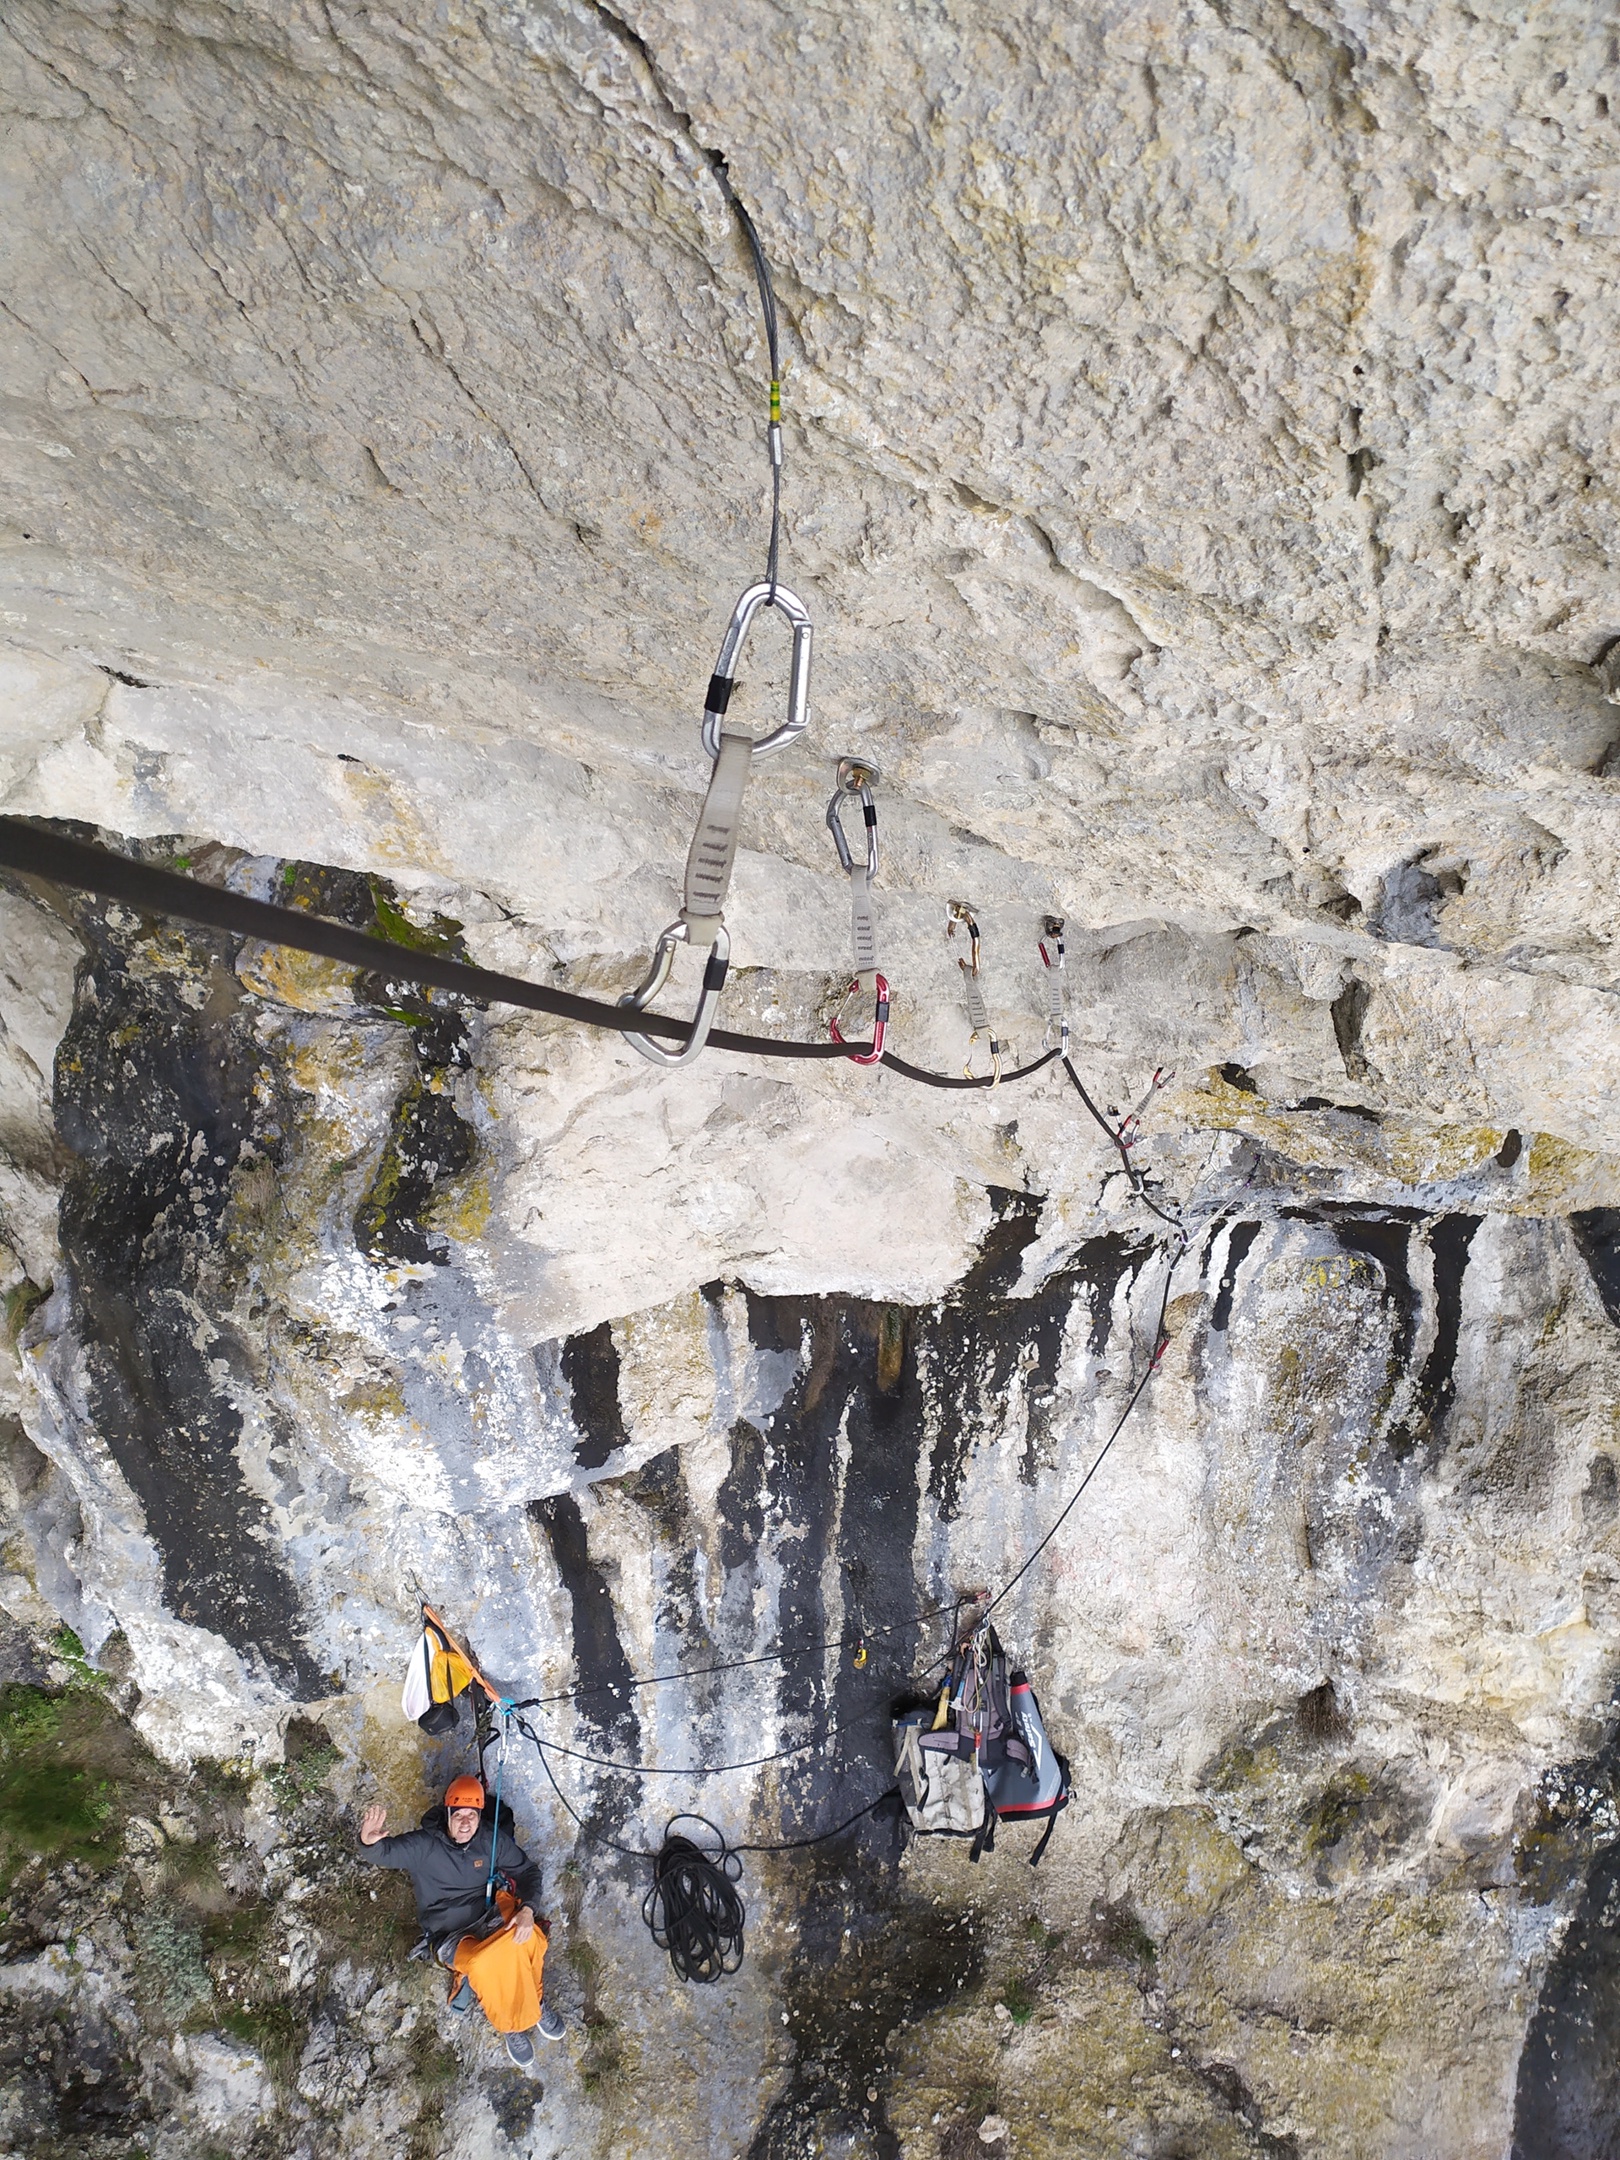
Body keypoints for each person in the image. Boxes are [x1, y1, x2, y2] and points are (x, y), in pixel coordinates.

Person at [359, 1773, 564, 2065]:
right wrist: (369, 1843)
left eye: (472, 1815)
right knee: (484, 1964)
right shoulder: (424, 1846)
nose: (466, 1822)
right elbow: (387, 1853)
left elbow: (528, 1872)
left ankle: (536, 2002)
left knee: (529, 1939)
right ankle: (509, 2026)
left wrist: (528, 1909)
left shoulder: (489, 1841)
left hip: (488, 1915)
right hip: (449, 1933)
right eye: (459, 1815)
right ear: (448, 1815)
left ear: (480, 1816)